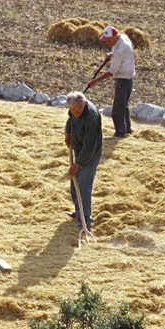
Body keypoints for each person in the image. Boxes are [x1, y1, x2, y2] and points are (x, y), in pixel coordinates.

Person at [87, 25, 135, 137]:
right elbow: (118, 54)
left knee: (117, 110)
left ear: (114, 37)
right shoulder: (123, 37)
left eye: (108, 41)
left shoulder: (119, 50)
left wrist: (95, 80)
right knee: (124, 105)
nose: (106, 43)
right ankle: (127, 129)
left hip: (123, 79)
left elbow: (112, 71)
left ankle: (120, 133)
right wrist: (111, 55)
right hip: (129, 77)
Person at [65, 91, 103, 233]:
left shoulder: (91, 117)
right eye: (73, 110)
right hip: (79, 149)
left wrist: (78, 164)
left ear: (84, 104)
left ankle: (86, 220)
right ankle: (78, 211)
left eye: (79, 109)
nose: (77, 112)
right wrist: (68, 133)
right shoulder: (73, 111)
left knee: (84, 186)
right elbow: (70, 120)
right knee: (75, 183)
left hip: (90, 154)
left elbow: (90, 146)